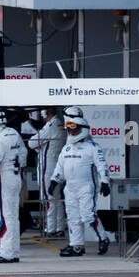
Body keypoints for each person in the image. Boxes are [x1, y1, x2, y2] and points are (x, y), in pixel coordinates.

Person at [49, 106, 112, 257]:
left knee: (88, 215)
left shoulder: (92, 147)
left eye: (75, 130)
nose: (71, 133)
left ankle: (103, 238)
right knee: (73, 218)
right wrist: (53, 181)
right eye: (70, 130)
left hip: (86, 187)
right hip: (70, 188)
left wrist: (105, 181)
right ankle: (76, 246)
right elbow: (59, 167)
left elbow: (102, 165)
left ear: (83, 129)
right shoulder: (66, 149)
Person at [0, 109, 27, 263]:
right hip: (15, 176)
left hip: (3, 178)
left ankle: (5, 251)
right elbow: (24, 155)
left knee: (2, 215)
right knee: (13, 216)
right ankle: (13, 251)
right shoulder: (14, 133)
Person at [29, 106, 67, 236]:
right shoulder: (60, 124)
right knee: (57, 197)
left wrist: (40, 146)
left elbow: (32, 143)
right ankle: (59, 227)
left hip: (48, 164)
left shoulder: (50, 126)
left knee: (48, 196)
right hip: (57, 163)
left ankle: (51, 228)